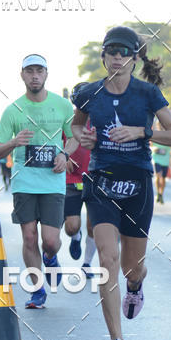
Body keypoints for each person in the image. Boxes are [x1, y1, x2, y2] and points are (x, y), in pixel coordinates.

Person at [71, 26, 171, 340]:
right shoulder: (89, 93)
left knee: (133, 267)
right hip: (102, 182)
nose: (117, 58)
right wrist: (84, 139)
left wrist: (142, 132)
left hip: (138, 184)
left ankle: (135, 286)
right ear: (103, 57)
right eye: (111, 52)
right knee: (108, 261)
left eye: (124, 53)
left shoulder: (148, 94)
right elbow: (76, 125)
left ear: (135, 59)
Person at [0, 54, 77, 309]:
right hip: (24, 182)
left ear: (47, 74)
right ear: (22, 75)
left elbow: (74, 137)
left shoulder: (62, 106)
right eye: (30, 71)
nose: (35, 75)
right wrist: (13, 142)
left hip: (52, 182)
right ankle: (38, 290)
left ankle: (51, 259)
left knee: (50, 241)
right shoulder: (13, 110)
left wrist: (65, 154)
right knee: (29, 238)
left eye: (39, 70)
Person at [64, 83, 97, 272]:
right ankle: (75, 238)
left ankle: (87, 264)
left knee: (93, 226)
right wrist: (63, 155)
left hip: (94, 178)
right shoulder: (68, 120)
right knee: (71, 227)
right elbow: (56, 142)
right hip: (72, 179)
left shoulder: (100, 119)